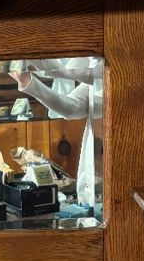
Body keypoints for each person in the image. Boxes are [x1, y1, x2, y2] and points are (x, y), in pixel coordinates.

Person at [9, 57, 103, 212]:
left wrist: (31, 59)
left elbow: (81, 71)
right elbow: (71, 107)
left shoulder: (115, 68)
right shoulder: (95, 70)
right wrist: (28, 82)